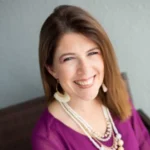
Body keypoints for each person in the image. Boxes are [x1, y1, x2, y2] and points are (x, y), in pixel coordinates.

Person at [31, 5, 150, 150]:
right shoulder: (47, 138)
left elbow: (144, 142)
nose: (85, 69)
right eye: (69, 58)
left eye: (92, 53)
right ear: (51, 68)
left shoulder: (118, 97)